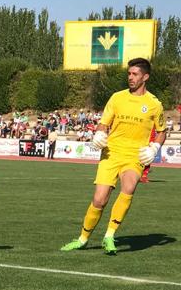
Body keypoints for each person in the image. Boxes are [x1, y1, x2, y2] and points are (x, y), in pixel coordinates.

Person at [61, 58, 166, 255]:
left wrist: (154, 149)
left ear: (146, 77)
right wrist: (99, 133)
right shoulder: (117, 97)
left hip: (134, 155)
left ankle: (109, 236)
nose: (130, 77)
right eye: (129, 74)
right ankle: (82, 239)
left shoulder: (154, 104)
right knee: (100, 200)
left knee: (129, 187)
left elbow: (162, 131)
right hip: (111, 153)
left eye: (135, 74)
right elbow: (104, 123)